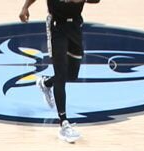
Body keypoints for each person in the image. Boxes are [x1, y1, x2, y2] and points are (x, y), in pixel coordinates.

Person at [17, 0, 98, 143]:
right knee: (61, 73)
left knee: (71, 74)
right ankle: (64, 123)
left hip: (75, 26)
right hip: (56, 27)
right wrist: (25, 7)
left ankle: (46, 83)